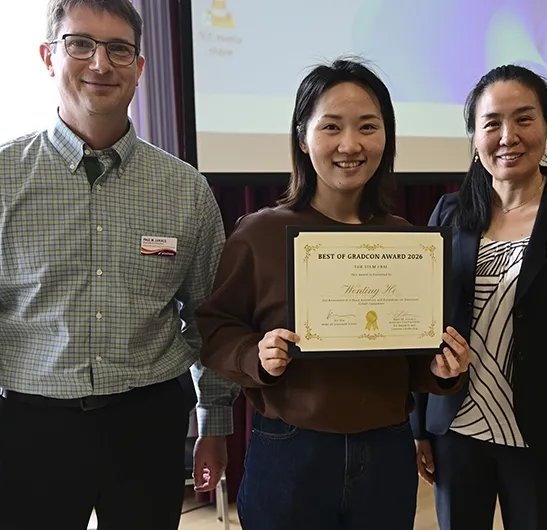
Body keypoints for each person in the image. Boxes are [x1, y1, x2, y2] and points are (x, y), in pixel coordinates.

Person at [0, 1, 238, 529]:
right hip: (33, 430)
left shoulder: (186, 191)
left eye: (119, 49)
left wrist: (215, 422)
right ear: (49, 56)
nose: (100, 64)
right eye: (80, 44)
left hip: (149, 427)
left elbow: (209, 318)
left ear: (139, 67)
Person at [194, 58, 472, 530]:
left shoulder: (407, 242)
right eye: (332, 127)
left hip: (386, 451)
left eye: (368, 126)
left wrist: (443, 369)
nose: (351, 144)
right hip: (289, 450)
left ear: (387, 138)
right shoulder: (260, 233)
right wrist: (255, 354)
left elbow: (413, 350)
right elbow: (215, 328)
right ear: (303, 138)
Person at [410, 64, 547, 530]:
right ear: (475, 138)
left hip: (540, 438)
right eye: (492, 123)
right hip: (455, 431)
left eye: (524, 119)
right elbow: (420, 324)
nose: (508, 136)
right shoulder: (449, 213)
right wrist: (418, 428)